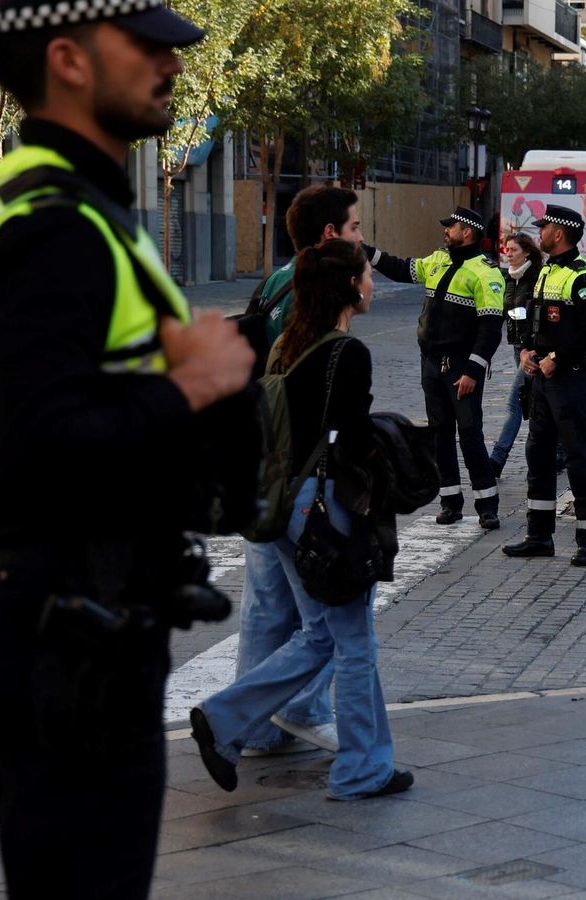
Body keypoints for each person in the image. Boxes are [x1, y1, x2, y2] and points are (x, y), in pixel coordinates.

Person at [0, 2, 259, 896]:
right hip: (71, 636)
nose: (173, 65)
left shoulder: (29, 202)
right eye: (144, 46)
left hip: (61, 626)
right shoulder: (55, 227)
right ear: (68, 60)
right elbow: (36, 444)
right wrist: (197, 381)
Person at [191, 240, 412, 801]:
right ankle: (362, 769)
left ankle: (222, 720)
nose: (373, 282)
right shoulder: (347, 353)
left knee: (319, 635)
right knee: (354, 643)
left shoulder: (287, 346)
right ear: (348, 287)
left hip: (288, 506)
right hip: (328, 505)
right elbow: (348, 443)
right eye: (366, 274)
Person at [235, 185, 364, 760]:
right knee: (320, 611)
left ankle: (258, 727)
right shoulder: (307, 293)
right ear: (331, 236)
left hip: (265, 467)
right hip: (297, 471)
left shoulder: (273, 281)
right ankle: (300, 709)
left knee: (267, 604)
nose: (363, 237)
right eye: (356, 227)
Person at [365, 206, 505, 528]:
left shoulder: (486, 272)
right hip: (431, 364)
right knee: (440, 435)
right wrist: (367, 253)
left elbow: (490, 329)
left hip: (461, 368)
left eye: (451, 226)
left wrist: (472, 371)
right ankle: (450, 502)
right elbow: (401, 269)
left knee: (470, 435)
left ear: (467, 231)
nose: (446, 231)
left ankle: (487, 506)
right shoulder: (438, 260)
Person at [503, 204, 586, 567]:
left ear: (558, 233)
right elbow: (537, 319)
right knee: (539, 456)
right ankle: (538, 536)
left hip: (571, 379)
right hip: (542, 380)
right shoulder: (547, 271)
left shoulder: (584, 277)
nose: (540, 232)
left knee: (577, 457)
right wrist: (527, 351)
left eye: (544, 227)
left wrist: (557, 359)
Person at [489, 231, 544, 475]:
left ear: (527, 252)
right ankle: (559, 452)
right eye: (506, 249)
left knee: (515, 403)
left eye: (513, 250)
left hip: (533, 350)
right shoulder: (507, 278)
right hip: (517, 349)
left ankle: (496, 460)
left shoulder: (537, 277)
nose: (507, 254)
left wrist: (530, 348)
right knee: (540, 401)